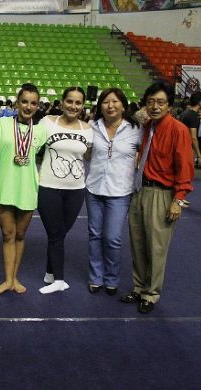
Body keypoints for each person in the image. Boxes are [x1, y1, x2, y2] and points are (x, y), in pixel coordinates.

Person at [121, 80, 194, 314]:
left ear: (169, 106)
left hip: (162, 194)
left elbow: (185, 167)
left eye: (160, 102)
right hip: (139, 190)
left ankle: (151, 294)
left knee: (156, 247)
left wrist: (178, 199)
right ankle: (139, 286)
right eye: (151, 101)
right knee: (138, 244)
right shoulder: (146, 127)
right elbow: (132, 117)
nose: (155, 106)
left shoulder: (178, 130)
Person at [0, 83, 47, 295]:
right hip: (5, 187)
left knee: (20, 235)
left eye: (33, 103)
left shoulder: (41, 130)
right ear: (17, 103)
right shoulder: (3, 123)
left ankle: (14, 278)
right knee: (8, 234)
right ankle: (7, 280)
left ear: (37, 106)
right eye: (24, 101)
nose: (28, 106)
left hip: (27, 188)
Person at [85, 88, 142, 296]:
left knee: (112, 238)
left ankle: (111, 278)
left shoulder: (135, 129)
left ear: (123, 105)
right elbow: (87, 153)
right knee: (95, 235)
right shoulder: (92, 126)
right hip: (94, 188)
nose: (110, 106)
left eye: (115, 101)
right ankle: (95, 277)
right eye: (106, 102)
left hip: (120, 191)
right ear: (100, 106)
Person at [37, 86, 93, 294]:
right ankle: (59, 280)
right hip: (49, 186)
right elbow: (35, 147)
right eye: (69, 101)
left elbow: (89, 157)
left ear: (83, 106)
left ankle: (50, 272)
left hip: (76, 189)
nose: (73, 106)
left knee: (60, 233)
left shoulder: (88, 129)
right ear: (62, 102)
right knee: (54, 233)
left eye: (78, 103)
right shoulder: (47, 122)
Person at [177, 91, 201, 167]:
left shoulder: (185, 113)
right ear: (199, 102)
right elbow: (193, 138)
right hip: (186, 150)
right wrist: (199, 155)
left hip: (180, 148)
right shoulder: (192, 115)